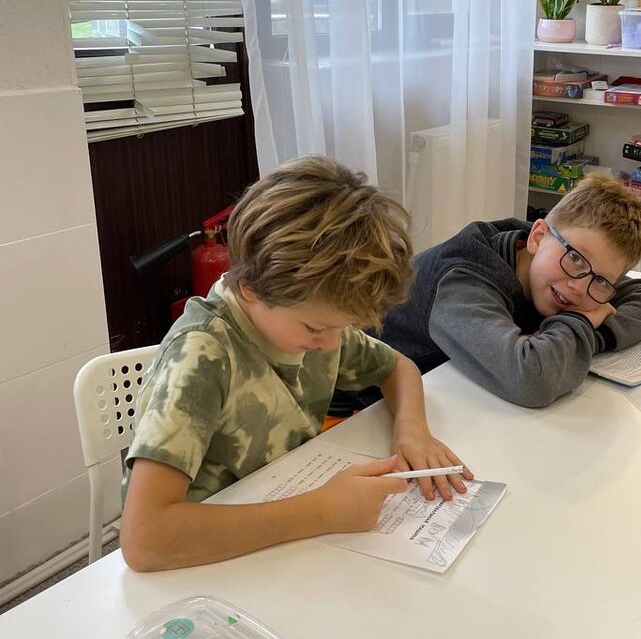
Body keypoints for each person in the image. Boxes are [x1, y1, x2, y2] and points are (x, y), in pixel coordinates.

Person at [121, 156, 470, 572]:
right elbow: (145, 540)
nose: (332, 344)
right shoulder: (201, 358)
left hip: (278, 538)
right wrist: (322, 511)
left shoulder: (305, 315)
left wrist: (411, 429)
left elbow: (396, 366)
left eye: (343, 327)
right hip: (201, 566)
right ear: (250, 289)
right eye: (316, 328)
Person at [378, 174, 641, 407]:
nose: (579, 286)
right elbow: (530, 379)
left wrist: (592, 334)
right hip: (371, 409)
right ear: (537, 237)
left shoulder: (562, 256)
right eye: (575, 259)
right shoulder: (463, 277)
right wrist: (583, 322)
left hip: (458, 397)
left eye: (600, 280)